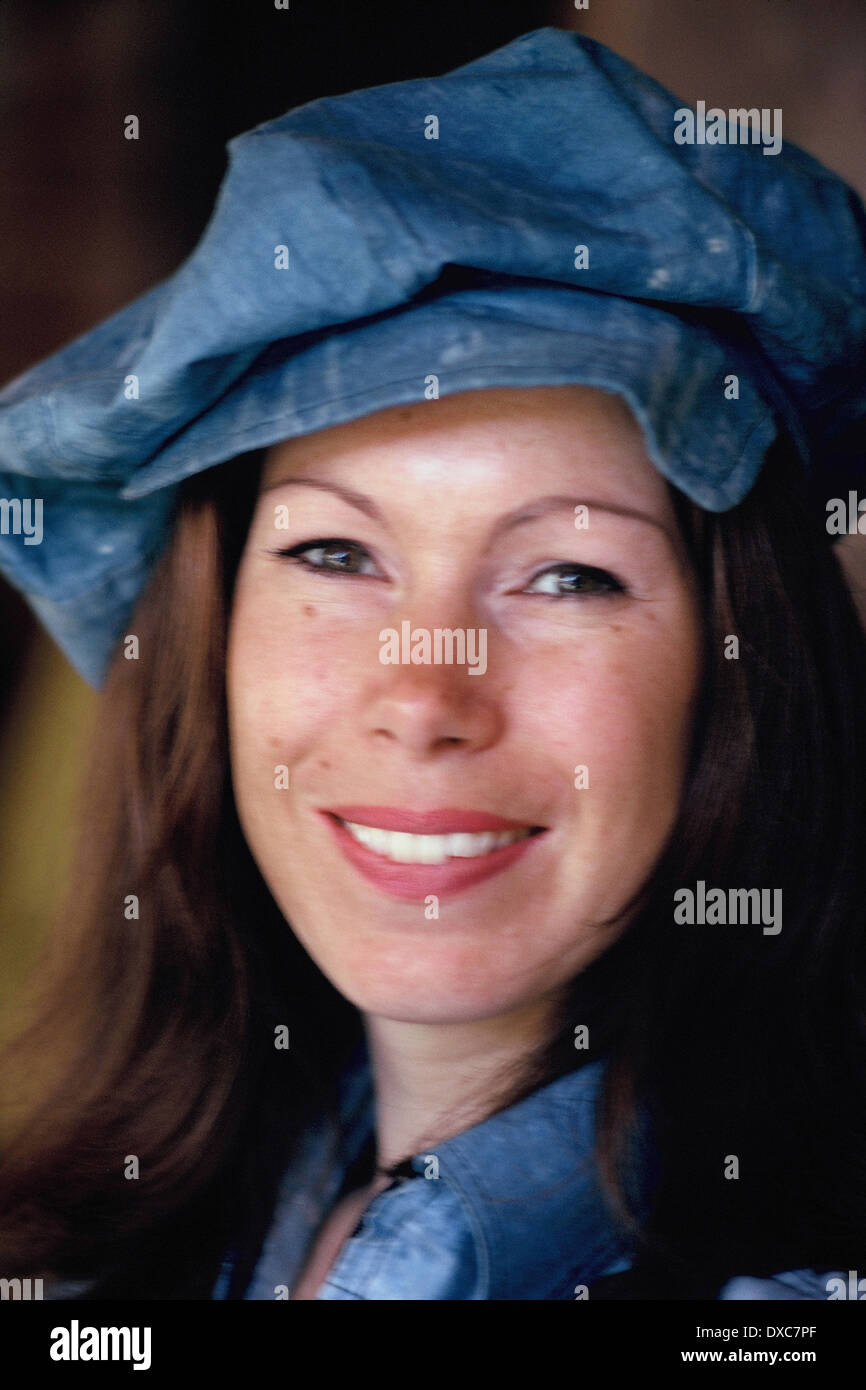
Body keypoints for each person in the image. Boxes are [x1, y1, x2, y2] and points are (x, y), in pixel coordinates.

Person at [0, 26, 864, 1301]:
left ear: (738, 676)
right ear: (215, 635)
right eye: (337, 555)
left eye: (568, 575)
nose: (420, 697)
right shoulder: (106, 1248)